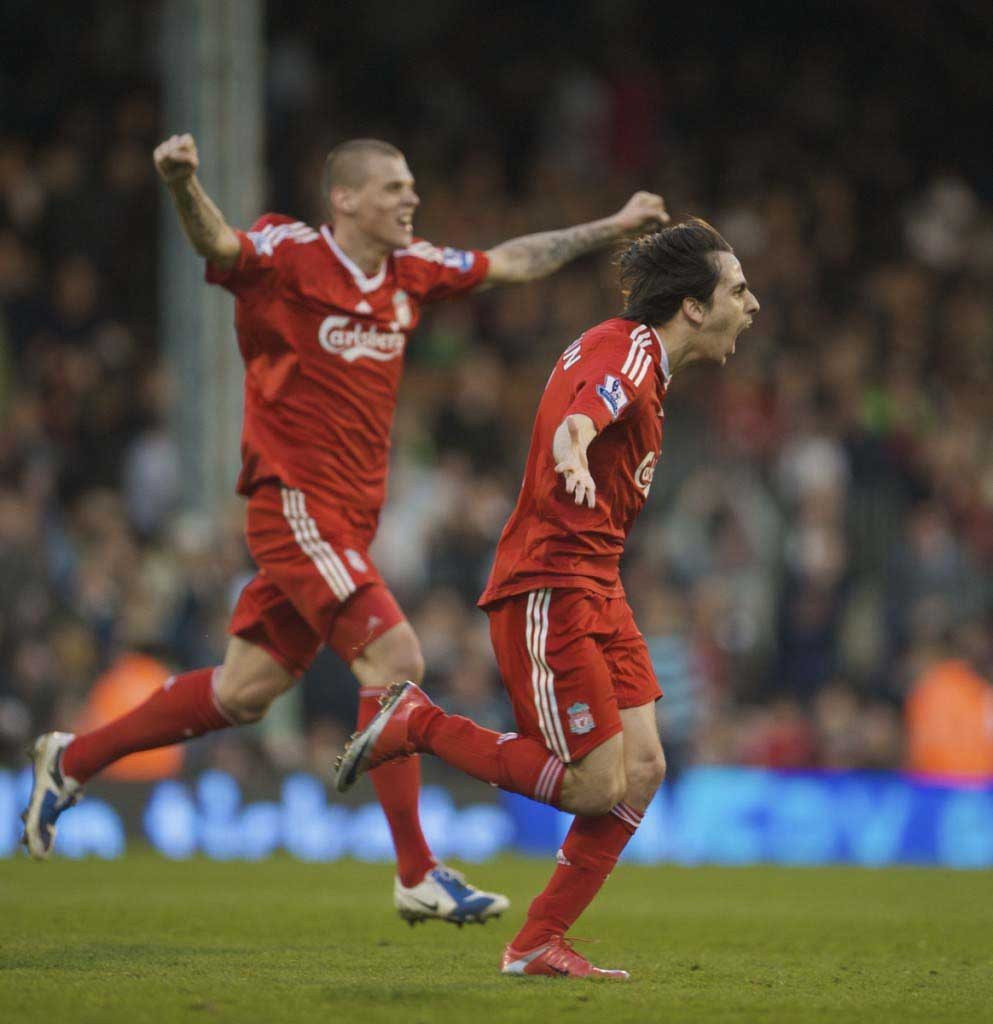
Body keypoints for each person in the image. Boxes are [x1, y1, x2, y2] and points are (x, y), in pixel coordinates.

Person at [22, 133, 668, 926]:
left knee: (242, 692)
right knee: (395, 657)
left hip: (347, 526)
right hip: (291, 503)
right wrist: (181, 183)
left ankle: (71, 758)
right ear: (347, 200)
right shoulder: (289, 255)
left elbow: (511, 260)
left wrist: (612, 225)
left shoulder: (410, 273)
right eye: (395, 188)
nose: (411, 200)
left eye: (411, 188)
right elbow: (217, 243)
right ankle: (416, 870)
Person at [336, 218, 759, 976]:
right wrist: (572, 447)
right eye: (736, 289)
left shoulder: (642, 362)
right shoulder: (630, 350)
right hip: (552, 583)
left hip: (598, 583)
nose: (750, 304)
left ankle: (536, 942)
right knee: (596, 785)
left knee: (645, 767)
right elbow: (584, 414)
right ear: (692, 307)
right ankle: (417, 721)